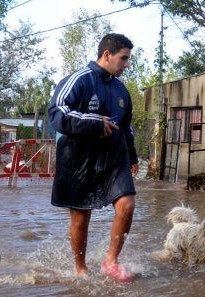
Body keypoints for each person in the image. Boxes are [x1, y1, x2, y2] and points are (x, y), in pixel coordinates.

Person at [47, 33, 139, 281]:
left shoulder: (122, 91)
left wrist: (132, 157)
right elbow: (57, 113)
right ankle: (80, 268)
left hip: (113, 158)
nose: (126, 64)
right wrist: (95, 122)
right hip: (79, 159)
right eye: (124, 58)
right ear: (107, 55)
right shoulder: (79, 80)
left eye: (128, 59)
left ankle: (111, 262)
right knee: (80, 219)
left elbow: (126, 127)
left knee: (127, 205)